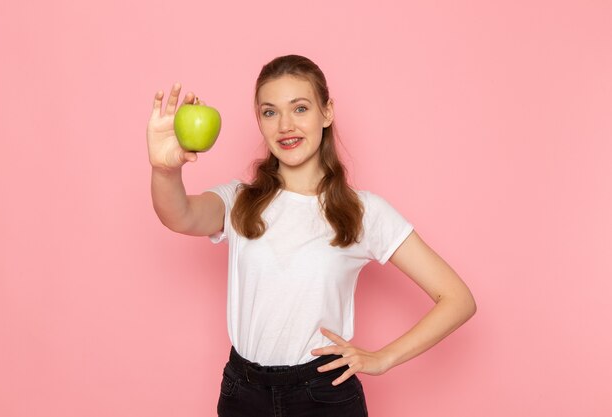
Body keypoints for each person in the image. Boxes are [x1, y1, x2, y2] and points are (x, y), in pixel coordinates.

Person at [146, 54, 476, 417]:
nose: (285, 125)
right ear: (259, 120)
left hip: (323, 395)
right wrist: (164, 170)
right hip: (243, 392)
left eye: (300, 108)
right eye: (270, 112)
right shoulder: (239, 200)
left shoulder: (363, 211)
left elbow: (457, 298)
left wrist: (383, 358)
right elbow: (180, 216)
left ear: (327, 112)